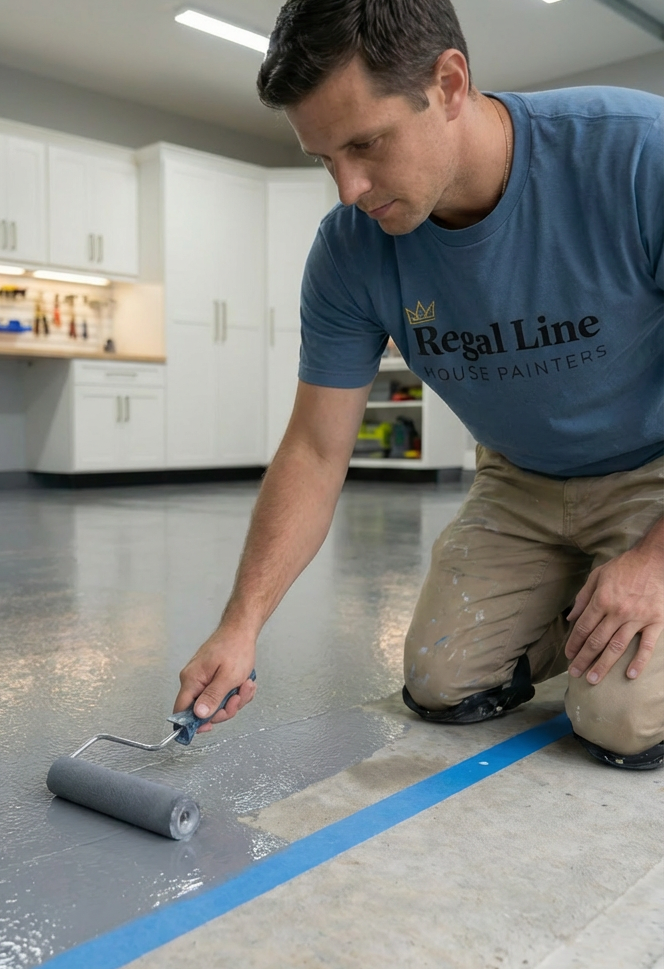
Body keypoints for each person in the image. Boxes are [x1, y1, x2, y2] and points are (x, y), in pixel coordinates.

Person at [173, 0, 664, 769]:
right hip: (520, 480)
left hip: (654, 470)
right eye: (324, 158)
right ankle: (592, 596)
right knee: (442, 681)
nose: (349, 188)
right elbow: (313, 448)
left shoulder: (638, 156)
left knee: (620, 718)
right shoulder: (348, 250)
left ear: (450, 83)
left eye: (366, 143)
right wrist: (241, 624)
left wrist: (654, 563)